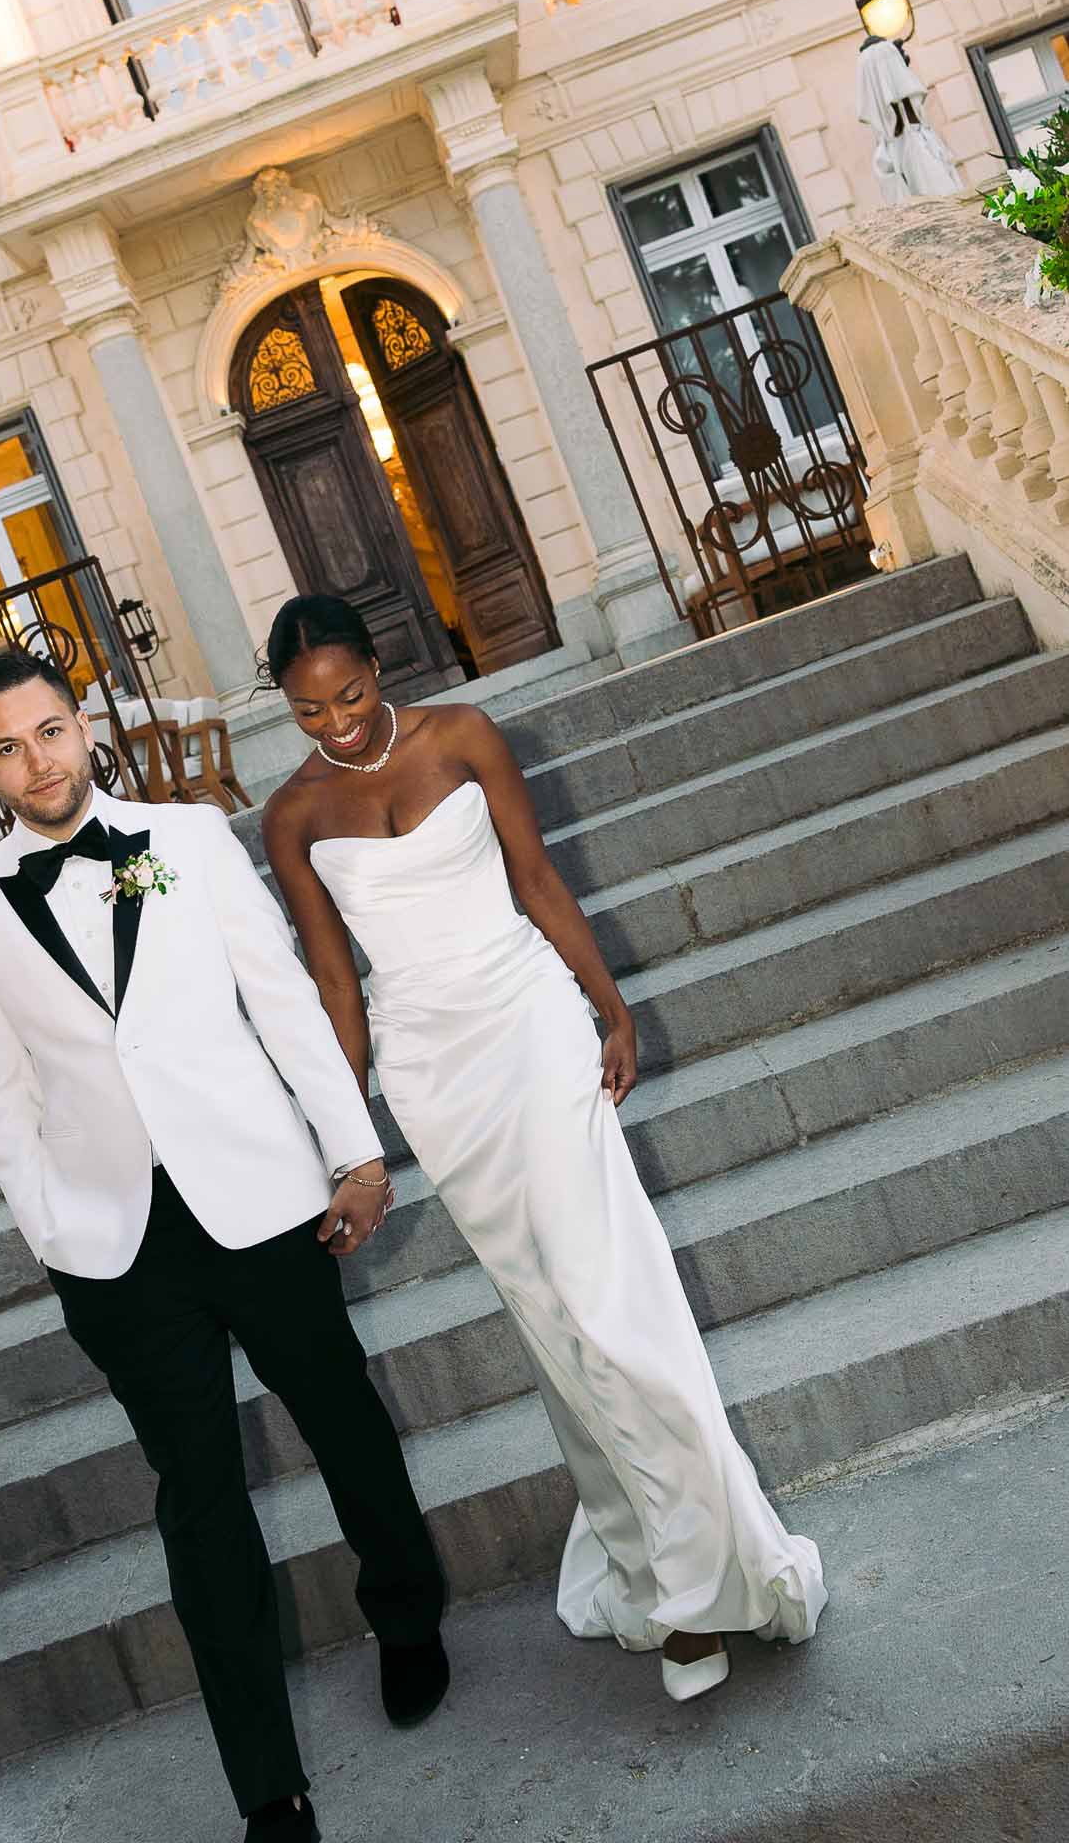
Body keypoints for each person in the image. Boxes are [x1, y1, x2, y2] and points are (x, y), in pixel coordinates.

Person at [260, 595, 827, 1704]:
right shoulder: (289, 815)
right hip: (433, 1072)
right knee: (551, 1312)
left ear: (382, 666)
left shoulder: (462, 734)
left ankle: (688, 1592)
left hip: (530, 1022)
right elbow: (336, 982)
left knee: (602, 1293)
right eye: (308, 710)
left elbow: (536, 880)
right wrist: (349, 1137)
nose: (334, 723)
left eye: (351, 694)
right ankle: (646, 1539)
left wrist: (608, 1005)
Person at [0, 648, 448, 1843]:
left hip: (260, 1198)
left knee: (343, 1419)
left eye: (49, 732)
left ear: (84, 725)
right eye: (6, 746)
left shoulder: (189, 837)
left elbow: (279, 996)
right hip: (118, 1249)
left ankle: (407, 1609)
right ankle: (269, 1786)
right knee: (200, 1507)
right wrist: (55, 1235)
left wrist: (352, 1148)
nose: (36, 761)